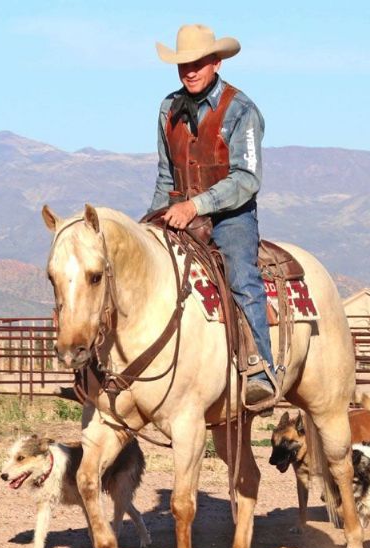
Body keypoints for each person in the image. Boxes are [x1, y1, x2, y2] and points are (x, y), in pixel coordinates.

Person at [150, 24, 275, 405]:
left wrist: (195, 206)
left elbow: (247, 180)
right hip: (178, 211)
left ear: (216, 63)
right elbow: (164, 172)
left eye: (198, 62)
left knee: (241, 273)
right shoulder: (168, 108)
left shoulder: (241, 110)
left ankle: (259, 367)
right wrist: (154, 219)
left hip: (230, 216)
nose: (189, 70)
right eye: (182, 64)